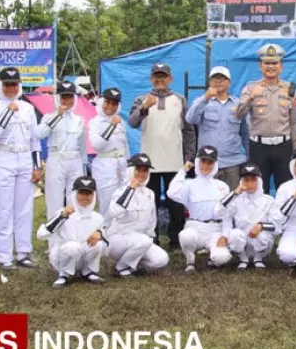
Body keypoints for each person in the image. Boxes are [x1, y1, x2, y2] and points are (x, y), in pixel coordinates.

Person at [127, 63, 196, 250]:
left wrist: (190, 156)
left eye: (163, 76)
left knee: (176, 203)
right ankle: (153, 238)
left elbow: (188, 130)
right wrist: (143, 108)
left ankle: (175, 239)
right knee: (151, 201)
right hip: (149, 162)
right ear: (151, 79)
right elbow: (132, 123)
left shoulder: (180, 99)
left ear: (170, 78)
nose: (160, 80)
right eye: (156, 76)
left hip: (175, 160)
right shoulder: (142, 99)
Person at [0, 67, 42, 270]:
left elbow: (35, 138)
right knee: (3, 208)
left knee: (25, 208)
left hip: (25, 158)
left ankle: (24, 252)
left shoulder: (27, 108)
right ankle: (4, 256)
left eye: (14, 84)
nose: (11, 88)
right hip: (3, 158)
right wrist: (8, 113)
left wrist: (36, 165)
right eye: (7, 84)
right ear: (0, 85)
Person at [236, 44, 296, 192]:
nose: (271, 67)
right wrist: (251, 97)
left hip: (283, 146)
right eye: (267, 63)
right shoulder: (250, 87)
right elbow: (239, 114)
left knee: (285, 189)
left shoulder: (289, 89)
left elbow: (294, 121)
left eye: (275, 63)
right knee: (258, 189)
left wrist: (295, 150)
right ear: (260, 66)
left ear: (281, 66)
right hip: (259, 147)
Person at [167, 145, 234, 273]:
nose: (206, 166)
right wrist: (183, 170)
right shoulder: (189, 184)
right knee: (186, 236)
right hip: (195, 227)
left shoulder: (222, 186)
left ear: (215, 164)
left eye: (210, 162)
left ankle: (212, 258)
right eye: (203, 161)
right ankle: (190, 261)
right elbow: (171, 192)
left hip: (215, 229)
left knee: (222, 258)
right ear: (198, 162)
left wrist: (224, 235)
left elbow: (226, 214)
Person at [103, 153, 170, 277]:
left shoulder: (149, 193)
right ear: (130, 170)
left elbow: (151, 220)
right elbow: (115, 211)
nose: (141, 173)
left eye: (145, 170)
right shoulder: (120, 191)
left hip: (140, 241)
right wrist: (131, 189)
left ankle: (131, 264)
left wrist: (150, 238)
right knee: (143, 241)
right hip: (116, 240)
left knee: (161, 259)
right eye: (138, 169)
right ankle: (121, 268)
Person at [185, 66, 249, 191]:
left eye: (222, 78)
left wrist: (249, 158)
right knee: (207, 202)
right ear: (209, 82)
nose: (218, 81)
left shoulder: (238, 104)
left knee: (232, 201)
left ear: (229, 82)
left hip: (232, 163)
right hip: (207, 163)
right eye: (214, 78)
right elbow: (190, 119)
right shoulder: (201, 101)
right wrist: (205, 97)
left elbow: (245, 134)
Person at [37, 176, 106, 289]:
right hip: (62, 256)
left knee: (98, 243)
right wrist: (62, 217)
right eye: (82, 193)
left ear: (93, 196)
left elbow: (106, 240)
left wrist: (99, 234)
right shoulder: (63, 213)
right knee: (73, 246)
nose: (85, 197)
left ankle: (88, 271)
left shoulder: (98, 217)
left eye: (89, 193)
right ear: (75, 194)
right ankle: (64, 274)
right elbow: (41, 234)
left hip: (82, 256)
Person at [37, 81, 88, 220]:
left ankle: (73, 233)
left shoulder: (79, 120)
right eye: (63, 97)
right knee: (54, 199)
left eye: (70, 97)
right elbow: (39, 134)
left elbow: (82, 145)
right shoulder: (49, 116)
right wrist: (57, 116)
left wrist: (84, 166)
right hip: (56, 158)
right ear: (57, 98)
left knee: (75, 198)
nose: (67, 101)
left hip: (75, 160)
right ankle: (54, 238)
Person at [216, 162, 276, 270]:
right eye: (246, 180)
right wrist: (236, 192)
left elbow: (277, 225)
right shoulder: (236, 199)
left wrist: (261, 226)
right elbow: (220, 211)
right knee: (234, 234)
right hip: (242, 241)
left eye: (253, 180)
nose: (250, 183)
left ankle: (258, 258)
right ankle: (243, 259)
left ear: (259, 181)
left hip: (262, 242)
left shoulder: (269, 200)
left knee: (263, 235)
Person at [88, 88, 130, 219]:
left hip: (121, 165)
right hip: (104, 166)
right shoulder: (94, 122)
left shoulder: (120, 121)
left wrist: (127, 165)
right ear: (101, 102)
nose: (110, 107)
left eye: (114, 104)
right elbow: (97, 145)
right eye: (107, 102)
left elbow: (125, 145)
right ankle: (105, 235)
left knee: (122, 203)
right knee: (107, 204)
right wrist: (111, 126)